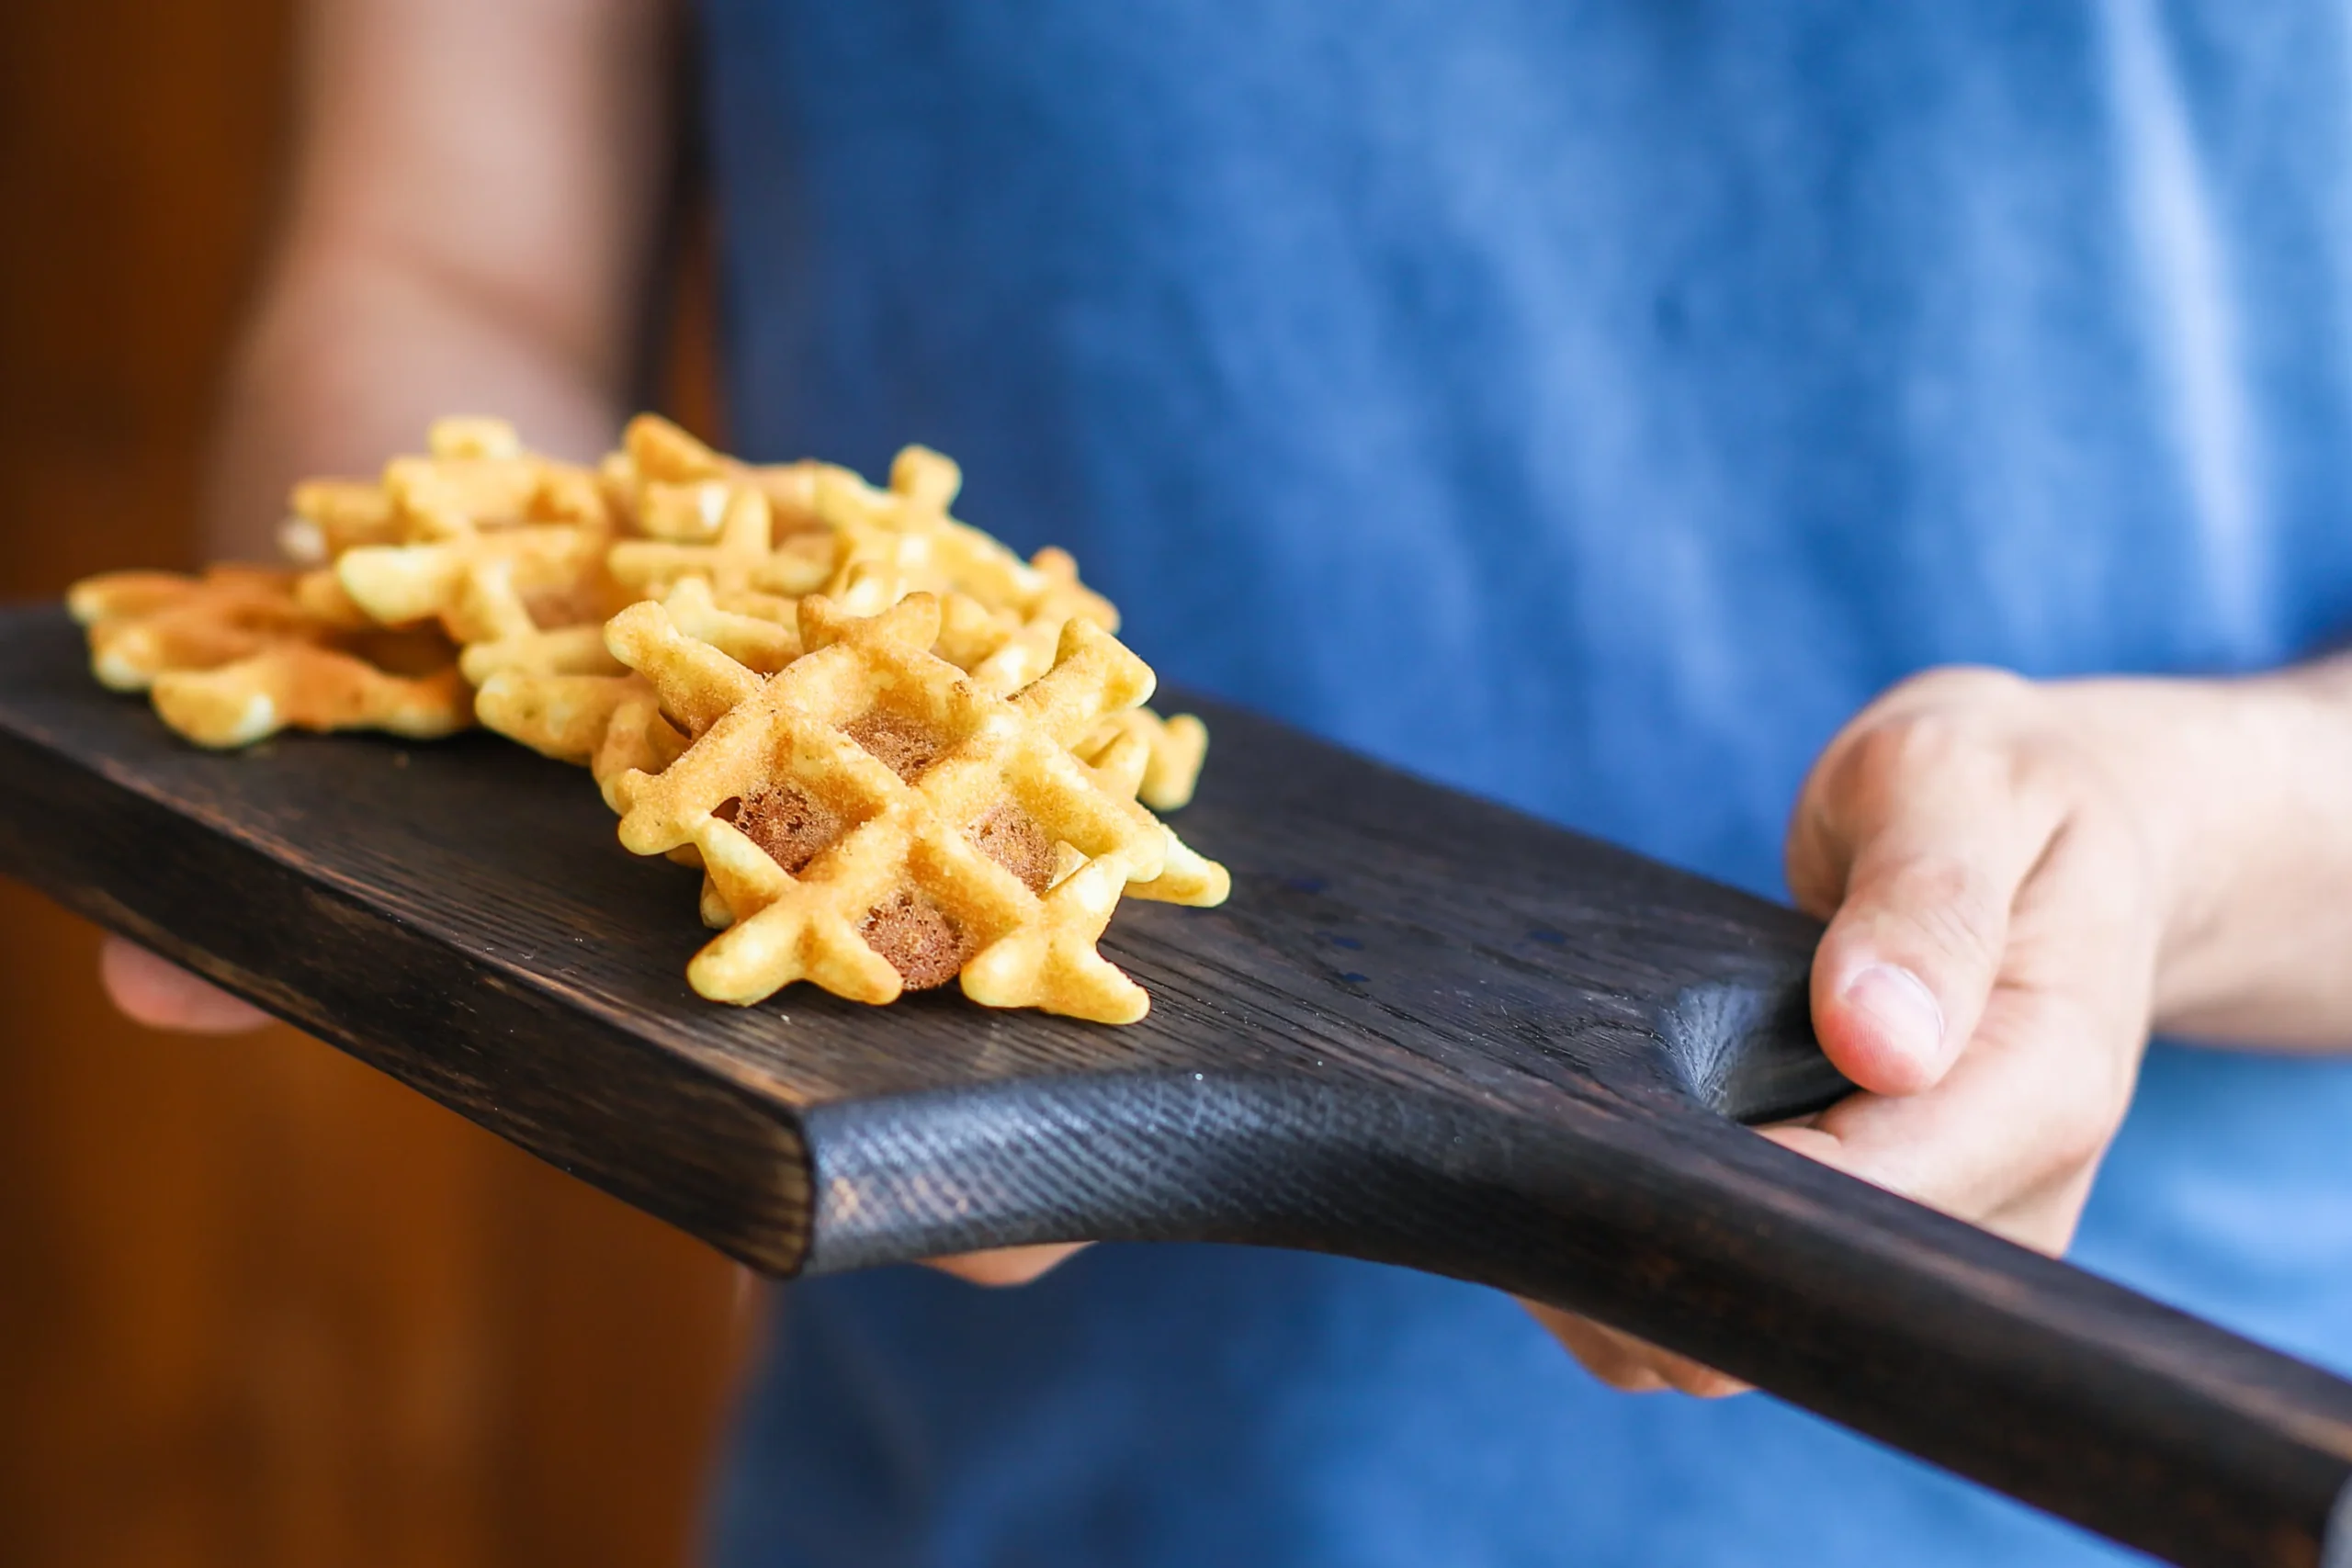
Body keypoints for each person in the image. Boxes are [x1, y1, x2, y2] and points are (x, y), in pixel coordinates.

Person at [106, 1, 2352, 1562]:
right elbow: (447, 268)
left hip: (2106, 1437)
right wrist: (463, 753)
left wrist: (2155, 836)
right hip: (994, 1496)